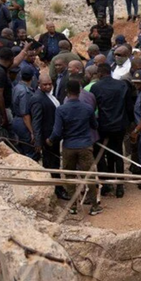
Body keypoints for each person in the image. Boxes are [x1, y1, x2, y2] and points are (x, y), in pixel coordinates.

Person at [48, 79, 102, 215]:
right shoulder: (88, 108)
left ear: (66, 92)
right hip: (85, 146)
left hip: (69, 147)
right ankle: (94, 206)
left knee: (69, 175)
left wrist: (50, 140)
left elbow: (57, 132)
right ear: (79, 91)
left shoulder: (61, 109)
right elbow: (95, 126)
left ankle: (73, 206)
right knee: (89, 176)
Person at [90, 62, 130, 197]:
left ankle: (106, 184)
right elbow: (128, 106)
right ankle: (119, 186)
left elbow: (94, 107)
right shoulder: (122, 85)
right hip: (119, 125)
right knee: (118, 154)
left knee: (101, 153)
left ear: (100, 73)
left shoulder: (96, 87)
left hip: (103, 126)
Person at [30, 73, 68, 200]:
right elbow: (36, 121)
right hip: (47, 138)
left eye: (50, 84)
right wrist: (38, 141)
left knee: (55, 163)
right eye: (45, 85)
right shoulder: (37, 98)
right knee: (51, 164)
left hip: (54, 136)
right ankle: (57, 189)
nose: (48, 87)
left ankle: (57, 187)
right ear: (39, 85)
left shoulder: (50, 96)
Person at [11, 67, 36, 156]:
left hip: (16, 120)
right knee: (29, 151)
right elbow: (25, 114)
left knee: (20, 151)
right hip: (24, 123)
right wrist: (32, 132)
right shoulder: (26, 92)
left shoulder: (17, 87)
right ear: (32, 78)